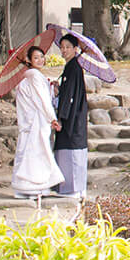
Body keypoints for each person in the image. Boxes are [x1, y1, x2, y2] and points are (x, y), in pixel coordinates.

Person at [11, 45, 64, 199]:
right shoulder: (34, 76)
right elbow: (42, 101)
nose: (40, 60)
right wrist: (52, 118)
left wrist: (50, 87)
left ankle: (25, 187)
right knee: (37, 152)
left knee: (29, 151)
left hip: (31, 121)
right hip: (37, 121)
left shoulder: (30, 77)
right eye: (36, 58)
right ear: (29, 60)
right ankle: (35, 187)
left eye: (42, 57)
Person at [53, 33, 90, 199]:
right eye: (62, 47)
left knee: (73, 152)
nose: (64, 50)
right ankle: (71, 188)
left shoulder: (74, 68)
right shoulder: (70, 67)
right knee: (68, 152)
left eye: (68, 47)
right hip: (71, 114)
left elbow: (70, 96)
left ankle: (73, 189)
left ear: (76, 49)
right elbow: (66, 92)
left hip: (72, 117)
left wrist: (61, 117)